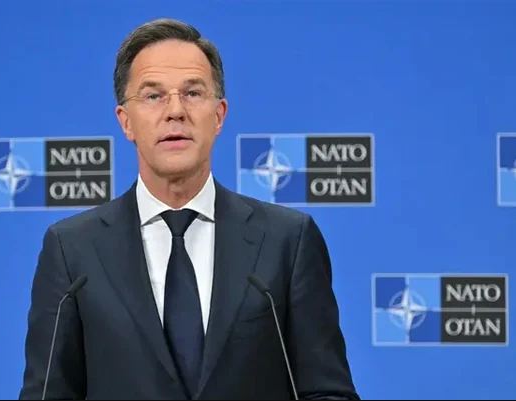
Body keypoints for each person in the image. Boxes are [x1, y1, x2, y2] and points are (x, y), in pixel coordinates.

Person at [19, 18, 358, 400]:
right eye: (153, 96)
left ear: (219, 115)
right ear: (126, 122)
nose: (175, 111)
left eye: (193, 93)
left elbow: (327, 391)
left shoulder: (287, 241)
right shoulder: (72, 250)